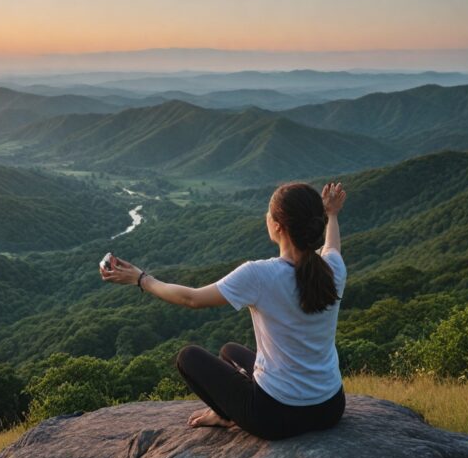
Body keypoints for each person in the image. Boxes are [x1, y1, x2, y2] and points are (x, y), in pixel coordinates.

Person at [99, 181, 347, 440]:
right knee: (230, 351)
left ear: (277, 226)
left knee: (188, 357)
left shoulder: (260, 275)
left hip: (277, 416)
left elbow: (191, 299)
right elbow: (332, 247)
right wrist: (332, 214)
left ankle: (228, 415)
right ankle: (234, 409)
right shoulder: (333, 268)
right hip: (330, 407)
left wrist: (142, 279)